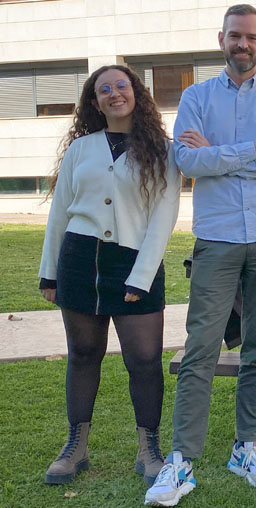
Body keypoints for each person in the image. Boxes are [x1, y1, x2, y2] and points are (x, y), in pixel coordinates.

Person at [144, 4, 256, 506]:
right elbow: (188, 159)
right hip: (216, 239)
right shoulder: (196, 97)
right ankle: (182, 460)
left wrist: (223, 154)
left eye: (251, 37)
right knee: (200, 350)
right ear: (222, 39)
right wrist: (253, 148)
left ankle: (246, 447)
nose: (243, 44)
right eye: (235, 36)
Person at [38, 64, 180, 486]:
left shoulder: (163, 149)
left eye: (122, 85)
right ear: (95, 102)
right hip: (80, 260)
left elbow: (164, 215)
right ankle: (75, 448)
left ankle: (149, 448)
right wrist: (50, 274)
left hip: (135, 262)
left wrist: (141, 276)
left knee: (145, 359)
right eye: (104, 89)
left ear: (136, 92)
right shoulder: (81, 149)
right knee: (83, 354)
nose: (114, 93)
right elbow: (59, 212)